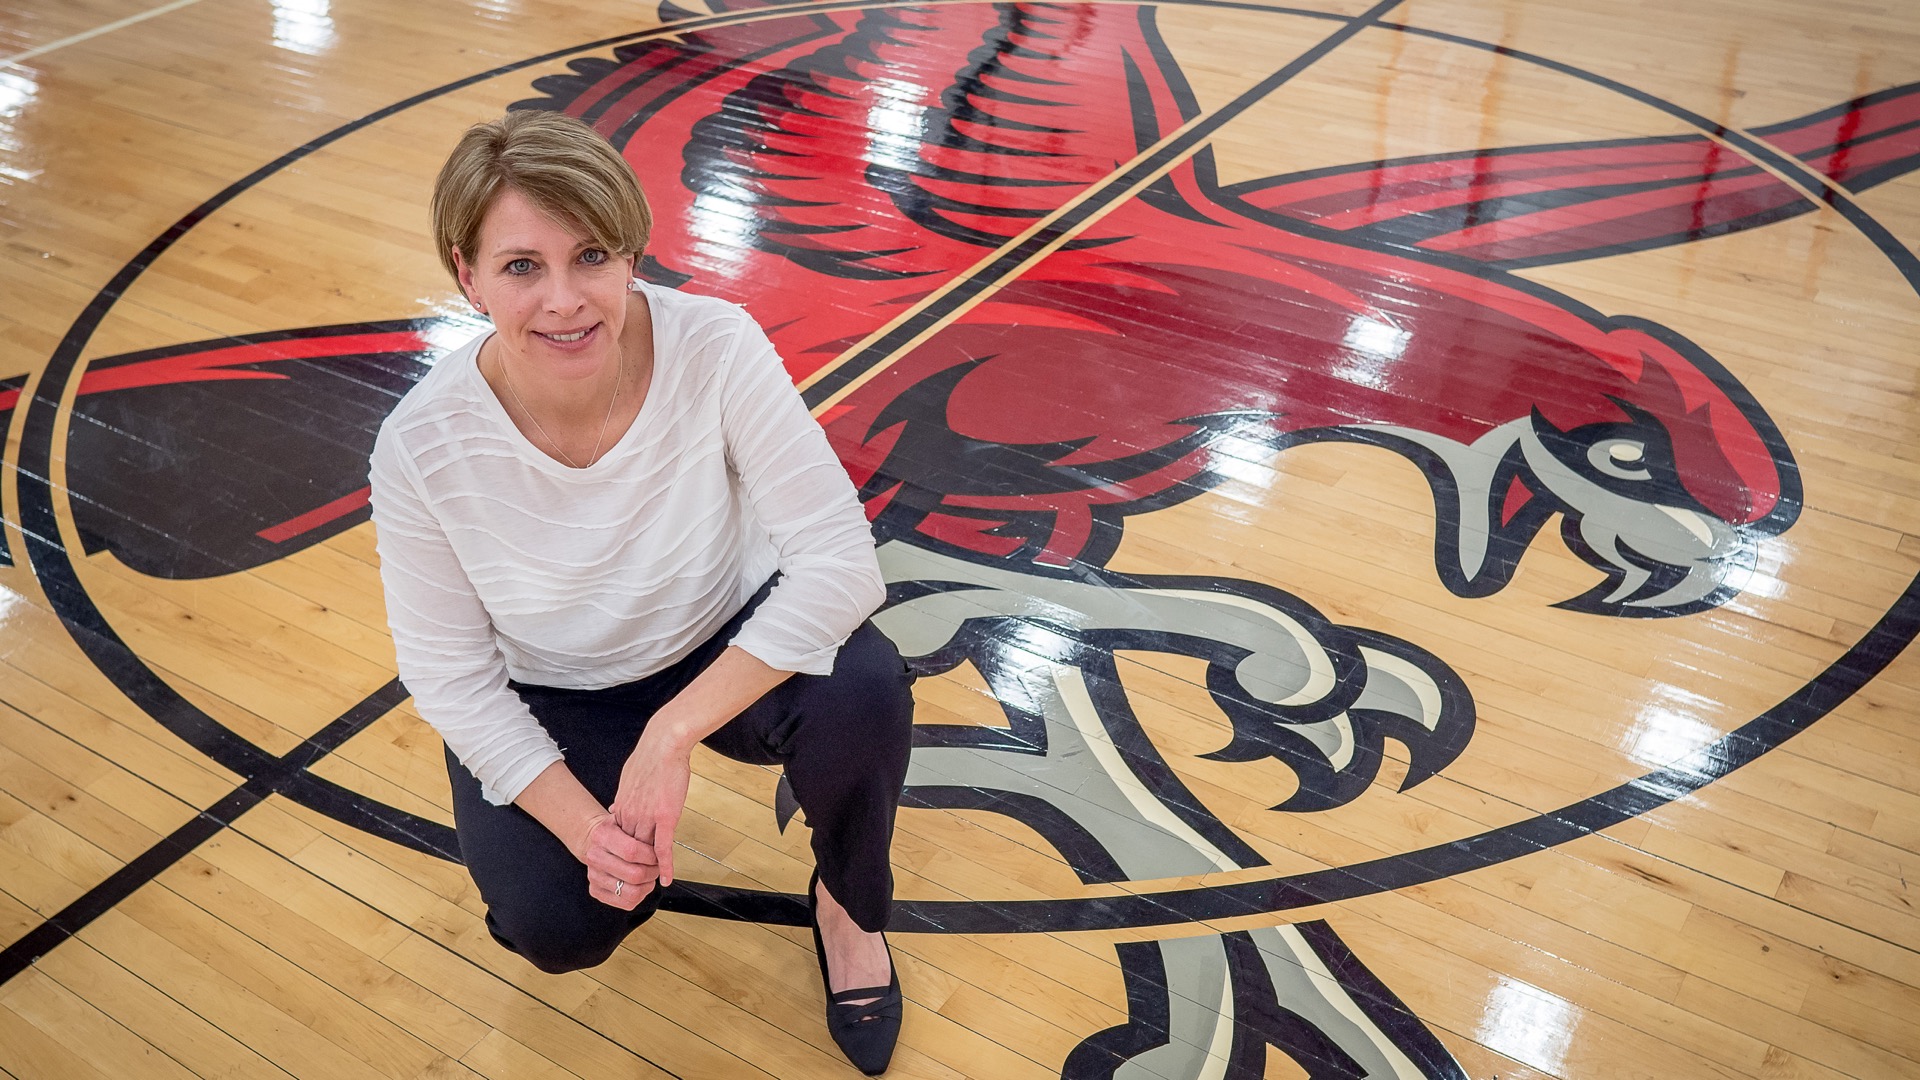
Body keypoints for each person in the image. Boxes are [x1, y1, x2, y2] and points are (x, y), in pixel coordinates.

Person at [369, 109, 913, 1075]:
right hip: (562, 689)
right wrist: (590, 828)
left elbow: (840, 560)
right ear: (467, 274)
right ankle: (576, 866)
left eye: (592, 256)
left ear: (631, 255)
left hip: (717, 633)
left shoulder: (714, 343)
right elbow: (452, 682)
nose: (565, 300)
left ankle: (847, 903)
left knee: (864, 688)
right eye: (521, 267)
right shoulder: (420, 444)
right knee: (554, 926)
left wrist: (671, 736)